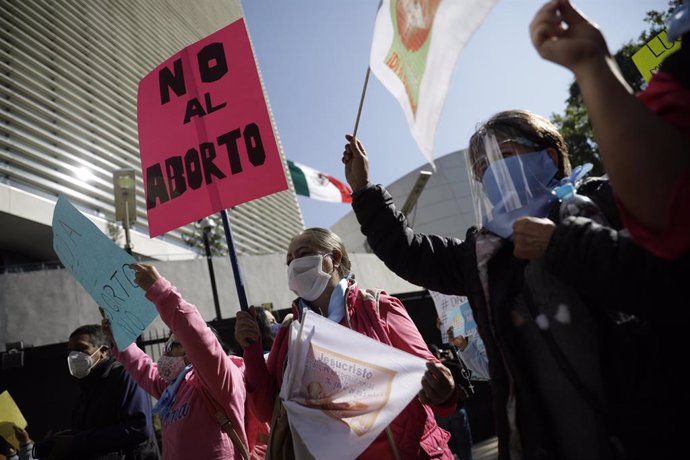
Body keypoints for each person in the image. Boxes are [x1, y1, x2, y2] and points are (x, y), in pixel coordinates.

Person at [342, 109, 655, 459]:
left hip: (652, 426)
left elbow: (657, 279)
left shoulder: (607, 201)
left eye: (503, 156)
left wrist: (565, 243)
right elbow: (408, 251)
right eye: (482, 169)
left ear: (548, 155)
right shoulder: (485, 255)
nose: (492, 173)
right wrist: (364, 190)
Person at [235, 227, 457, 459]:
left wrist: (443, 389)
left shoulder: (377, 307)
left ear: (335, 257)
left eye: (302, 254)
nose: (293, 265)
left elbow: (430, 373)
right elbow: (266, 410)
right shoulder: (290, 334)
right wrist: (251, 348)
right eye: (289, 260)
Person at [530, 0, 690, 259]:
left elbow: (670, 208)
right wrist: (593, 63)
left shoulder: (597, 195)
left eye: (507, 152)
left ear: (550, 154)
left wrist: (593, 67)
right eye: (480, 167)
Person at [101, 263, 249, 460]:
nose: (166, 352)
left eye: (175, 344)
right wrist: (119, 340)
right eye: (168, 345)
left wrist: (162, 292)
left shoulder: (220, 379)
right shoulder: (172, 388)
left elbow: (199, 339)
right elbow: (144, 369)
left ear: (193, 351)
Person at [34, 324, 159, 460]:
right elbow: (95, 428)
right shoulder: (87, 385)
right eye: (70, 351)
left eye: (81, 348)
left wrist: (77, 441)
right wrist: (65, 438)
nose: (74, 356)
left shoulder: (124, 375)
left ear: (103, 351)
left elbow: (139, 428)